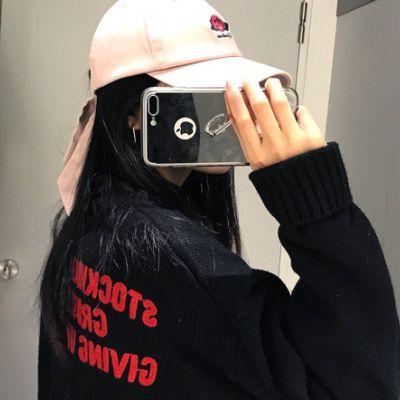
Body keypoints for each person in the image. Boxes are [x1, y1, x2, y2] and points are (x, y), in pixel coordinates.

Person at [36, 0, 400, 399]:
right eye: (203, 95)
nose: (230, 112)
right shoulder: (171, 257)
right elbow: (364, 384)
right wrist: (318, 207)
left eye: (233, 89)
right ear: (134, 114)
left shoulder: (92, 218)